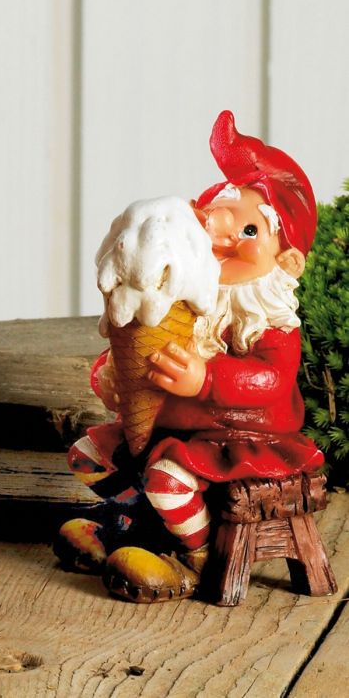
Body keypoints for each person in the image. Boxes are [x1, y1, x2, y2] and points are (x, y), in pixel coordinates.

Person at [57, 111, 323, 602]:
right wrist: (108, 378)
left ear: (285, 262)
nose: (224, 238)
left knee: (166, 481)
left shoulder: (269, 323)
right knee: (87, 457)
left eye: (249, 232)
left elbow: (272, 379)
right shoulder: (181, 302)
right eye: (216, 219)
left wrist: (206, 378)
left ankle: (195, 555)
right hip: (168, 427)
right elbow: (139, 361)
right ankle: (134, 525)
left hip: (234, 437)